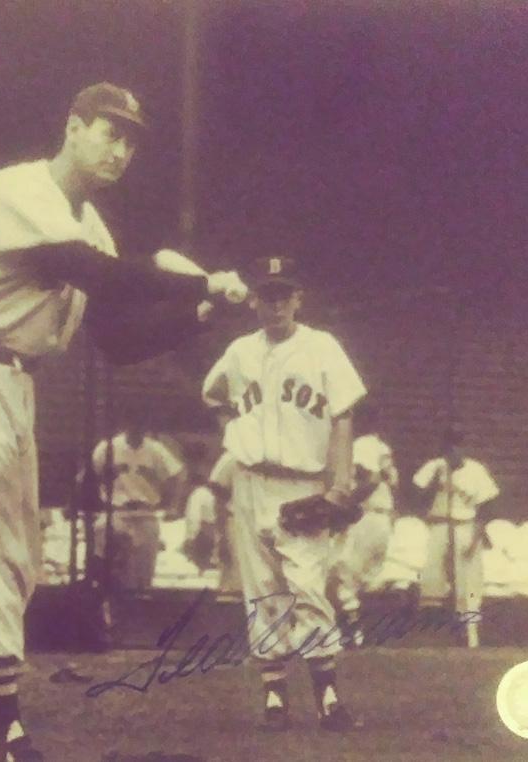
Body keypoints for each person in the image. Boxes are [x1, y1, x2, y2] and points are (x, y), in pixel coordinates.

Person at [0, 82, 243, 761]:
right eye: (108, 132)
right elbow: (98, 274)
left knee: (16, 563)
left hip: (10, 381)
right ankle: (9, 732)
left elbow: (119, 340)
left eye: (130, 141)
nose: (119, 149)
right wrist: (197, 282)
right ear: (73, 127)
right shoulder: (18, 189)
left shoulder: (94, 227)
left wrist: (205, 313)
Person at [201, 255, 366, 732]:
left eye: (284, 294)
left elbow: (343, 414)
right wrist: (235, 437)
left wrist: (340, 482)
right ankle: (274, 693)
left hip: (304, 483)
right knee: (262, 588)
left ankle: (327, 694)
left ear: (298, 298)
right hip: (251, 481)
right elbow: (213, 395)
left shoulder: (323, 347)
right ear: (253, 299)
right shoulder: (238, 353)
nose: (276, 303)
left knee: (309, 585)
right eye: (266, 294)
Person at [413, 427, 499, 648]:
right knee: (431, 578)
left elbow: (487, 507)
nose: (454, 451)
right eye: (450, 446)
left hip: (465, 526)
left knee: (468, 581)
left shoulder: (476, 470)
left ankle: (470, 632)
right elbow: (415, 497)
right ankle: (432, 633)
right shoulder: (433, 467)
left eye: (459, 445)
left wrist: (476, 537)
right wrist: (436, 479)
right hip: (438, 524)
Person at [328, 400, 399, 645]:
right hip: (383, 518)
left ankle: (353, 634)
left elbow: (371, 481)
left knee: (344, 573)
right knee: (363, 579)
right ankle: (364, 631)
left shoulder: (362, 445)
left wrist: (345, 506)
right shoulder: (382, 448)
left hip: (366, 516)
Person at [91, 422, 186, 591]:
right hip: (116, 511)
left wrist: (173, 505)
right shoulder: (108, 447)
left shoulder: (155, 449)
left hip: (145, 512)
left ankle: (142, 598)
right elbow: (91, 474)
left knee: (144, 568)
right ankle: (104, 592)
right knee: (104, 542)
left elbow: (178, 474)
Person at [182, 451, 241, 593]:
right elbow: (194, 523)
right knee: (231, 580)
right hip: (223, 532)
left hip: (249, 525)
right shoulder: (201, 494)